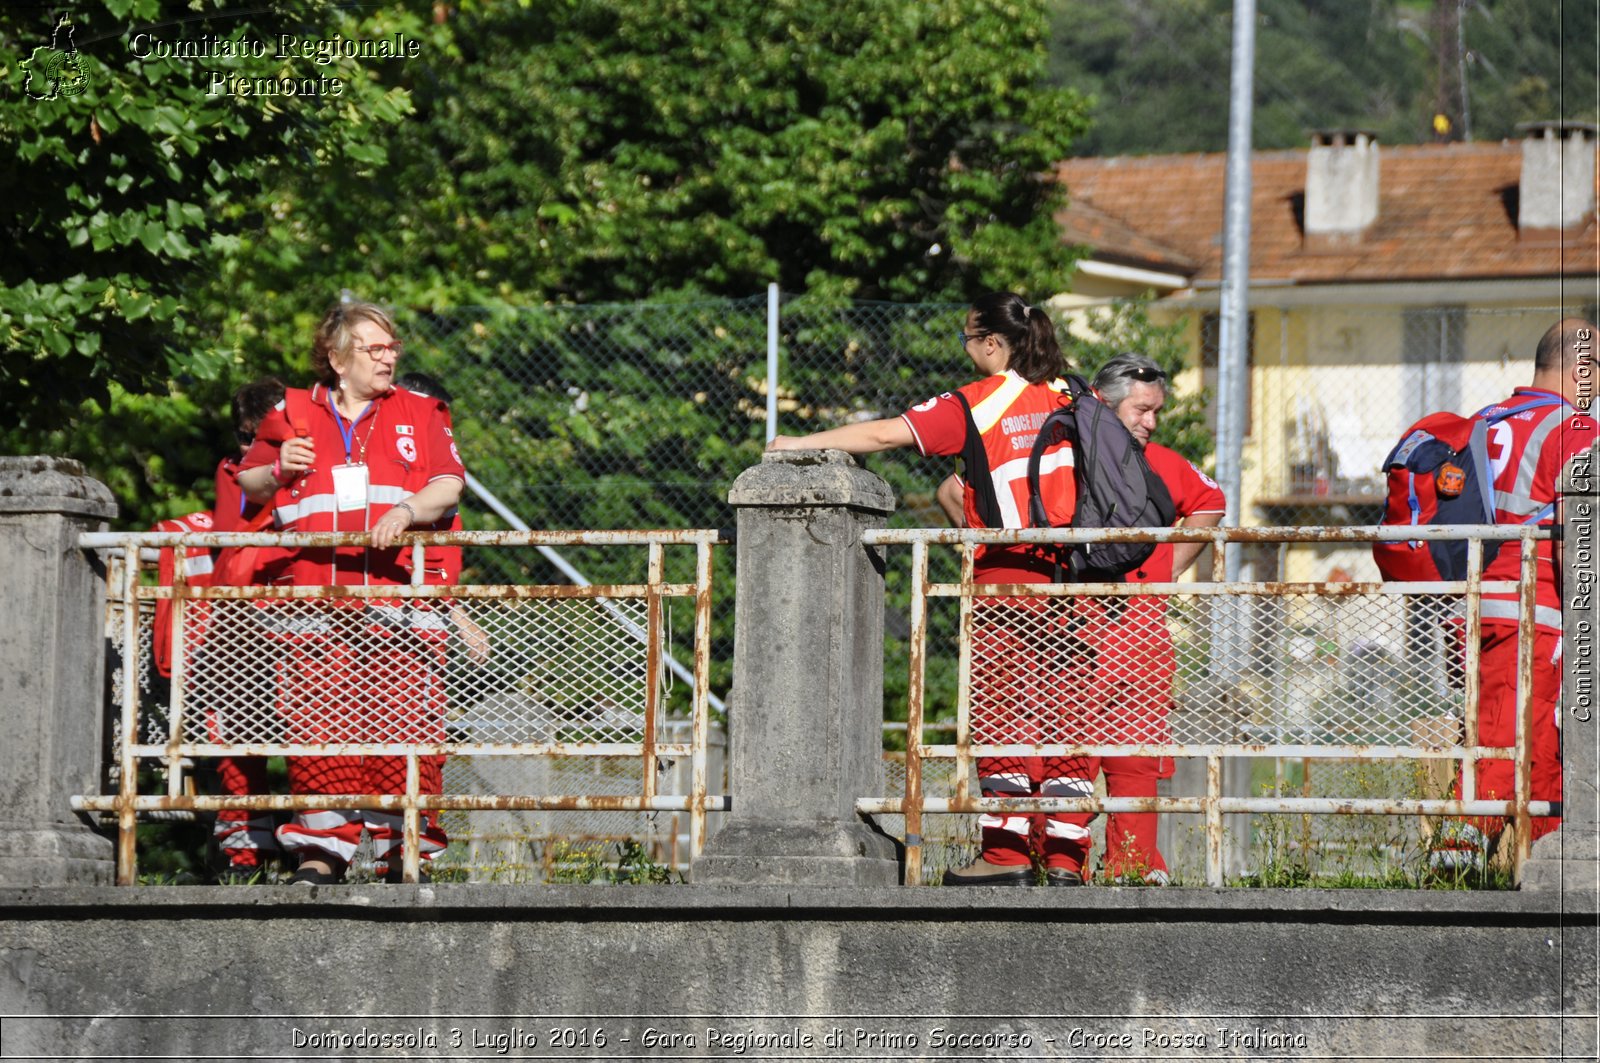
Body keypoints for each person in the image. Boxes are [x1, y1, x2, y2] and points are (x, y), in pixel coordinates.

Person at [770, 291, 1087, 886]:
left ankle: (1006, 855)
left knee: (1005, 711)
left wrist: (800, 444)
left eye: (968, 340)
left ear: (992, 344)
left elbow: (889, 435)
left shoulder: (980, 402)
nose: (965, 351)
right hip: (1083, 576)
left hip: (1009, 573)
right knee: (1065, 716)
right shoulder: (1074, 392)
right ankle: (1068, 859)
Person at [238, 301, 465, 885]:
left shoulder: (421, 410)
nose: (388, 358)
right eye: (375, 348)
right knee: (317, 729)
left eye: (392, 348)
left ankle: (403, 848)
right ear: (338, 359)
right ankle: (321, 850)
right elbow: (249, 483)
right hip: (314, 603)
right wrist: (278, 468)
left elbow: (448, 483)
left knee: (406, 729)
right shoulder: (291, 410)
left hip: (399, 603)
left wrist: (409, 509)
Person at [1433, 317, 1597, 870]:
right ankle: (1455, 863)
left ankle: (1543, 870)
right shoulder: (1573, 429)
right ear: (1580, 368)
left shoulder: (1480, 423)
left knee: (1526, 745)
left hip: (1468, 609)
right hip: (1537, 610)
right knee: (1514, 741)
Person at [207, 376, 287, 882]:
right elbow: (229, 533)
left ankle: (325, 846)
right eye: (244, 437)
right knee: (239, 745)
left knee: (314, 742)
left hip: (298, 617)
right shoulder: (234, 470)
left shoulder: (313, 467)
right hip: (240, 621)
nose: (249, 448)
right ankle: (243, 857)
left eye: (262, 438)